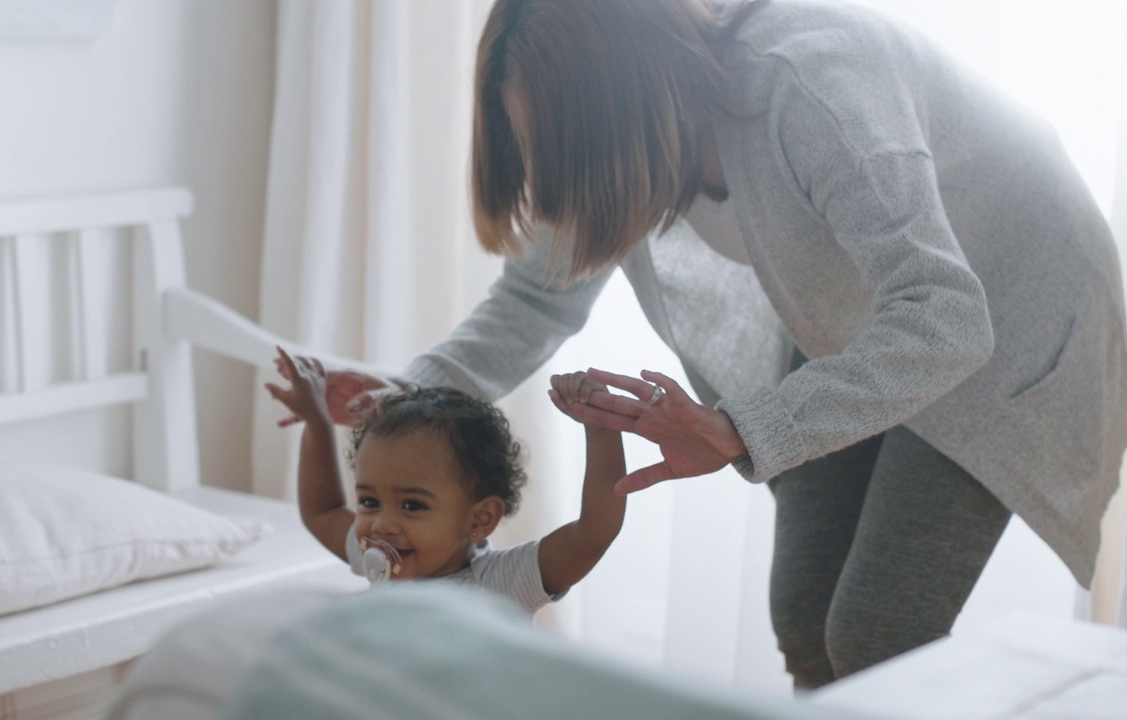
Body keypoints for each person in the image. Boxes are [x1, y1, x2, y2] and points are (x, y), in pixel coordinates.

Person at [279, 0, 1127, 689]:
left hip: (1005, 312)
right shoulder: (620, 140)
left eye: (563, 158)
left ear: (624, 113)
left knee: (877, 630)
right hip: (852, 320)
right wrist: (407, 394)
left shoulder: (812, 83)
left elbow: (944, 315)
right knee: (803, 615)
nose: (560, 187)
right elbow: (537, 297)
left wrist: (741, 427)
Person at [265, 346, 627, 617]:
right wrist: (316, 422)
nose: (381, 524)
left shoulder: (498, 584)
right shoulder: (376, 561)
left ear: (479, 519)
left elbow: (595, 530)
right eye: (369, 502)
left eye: (412, 505)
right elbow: (322, 510)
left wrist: (601, 429)